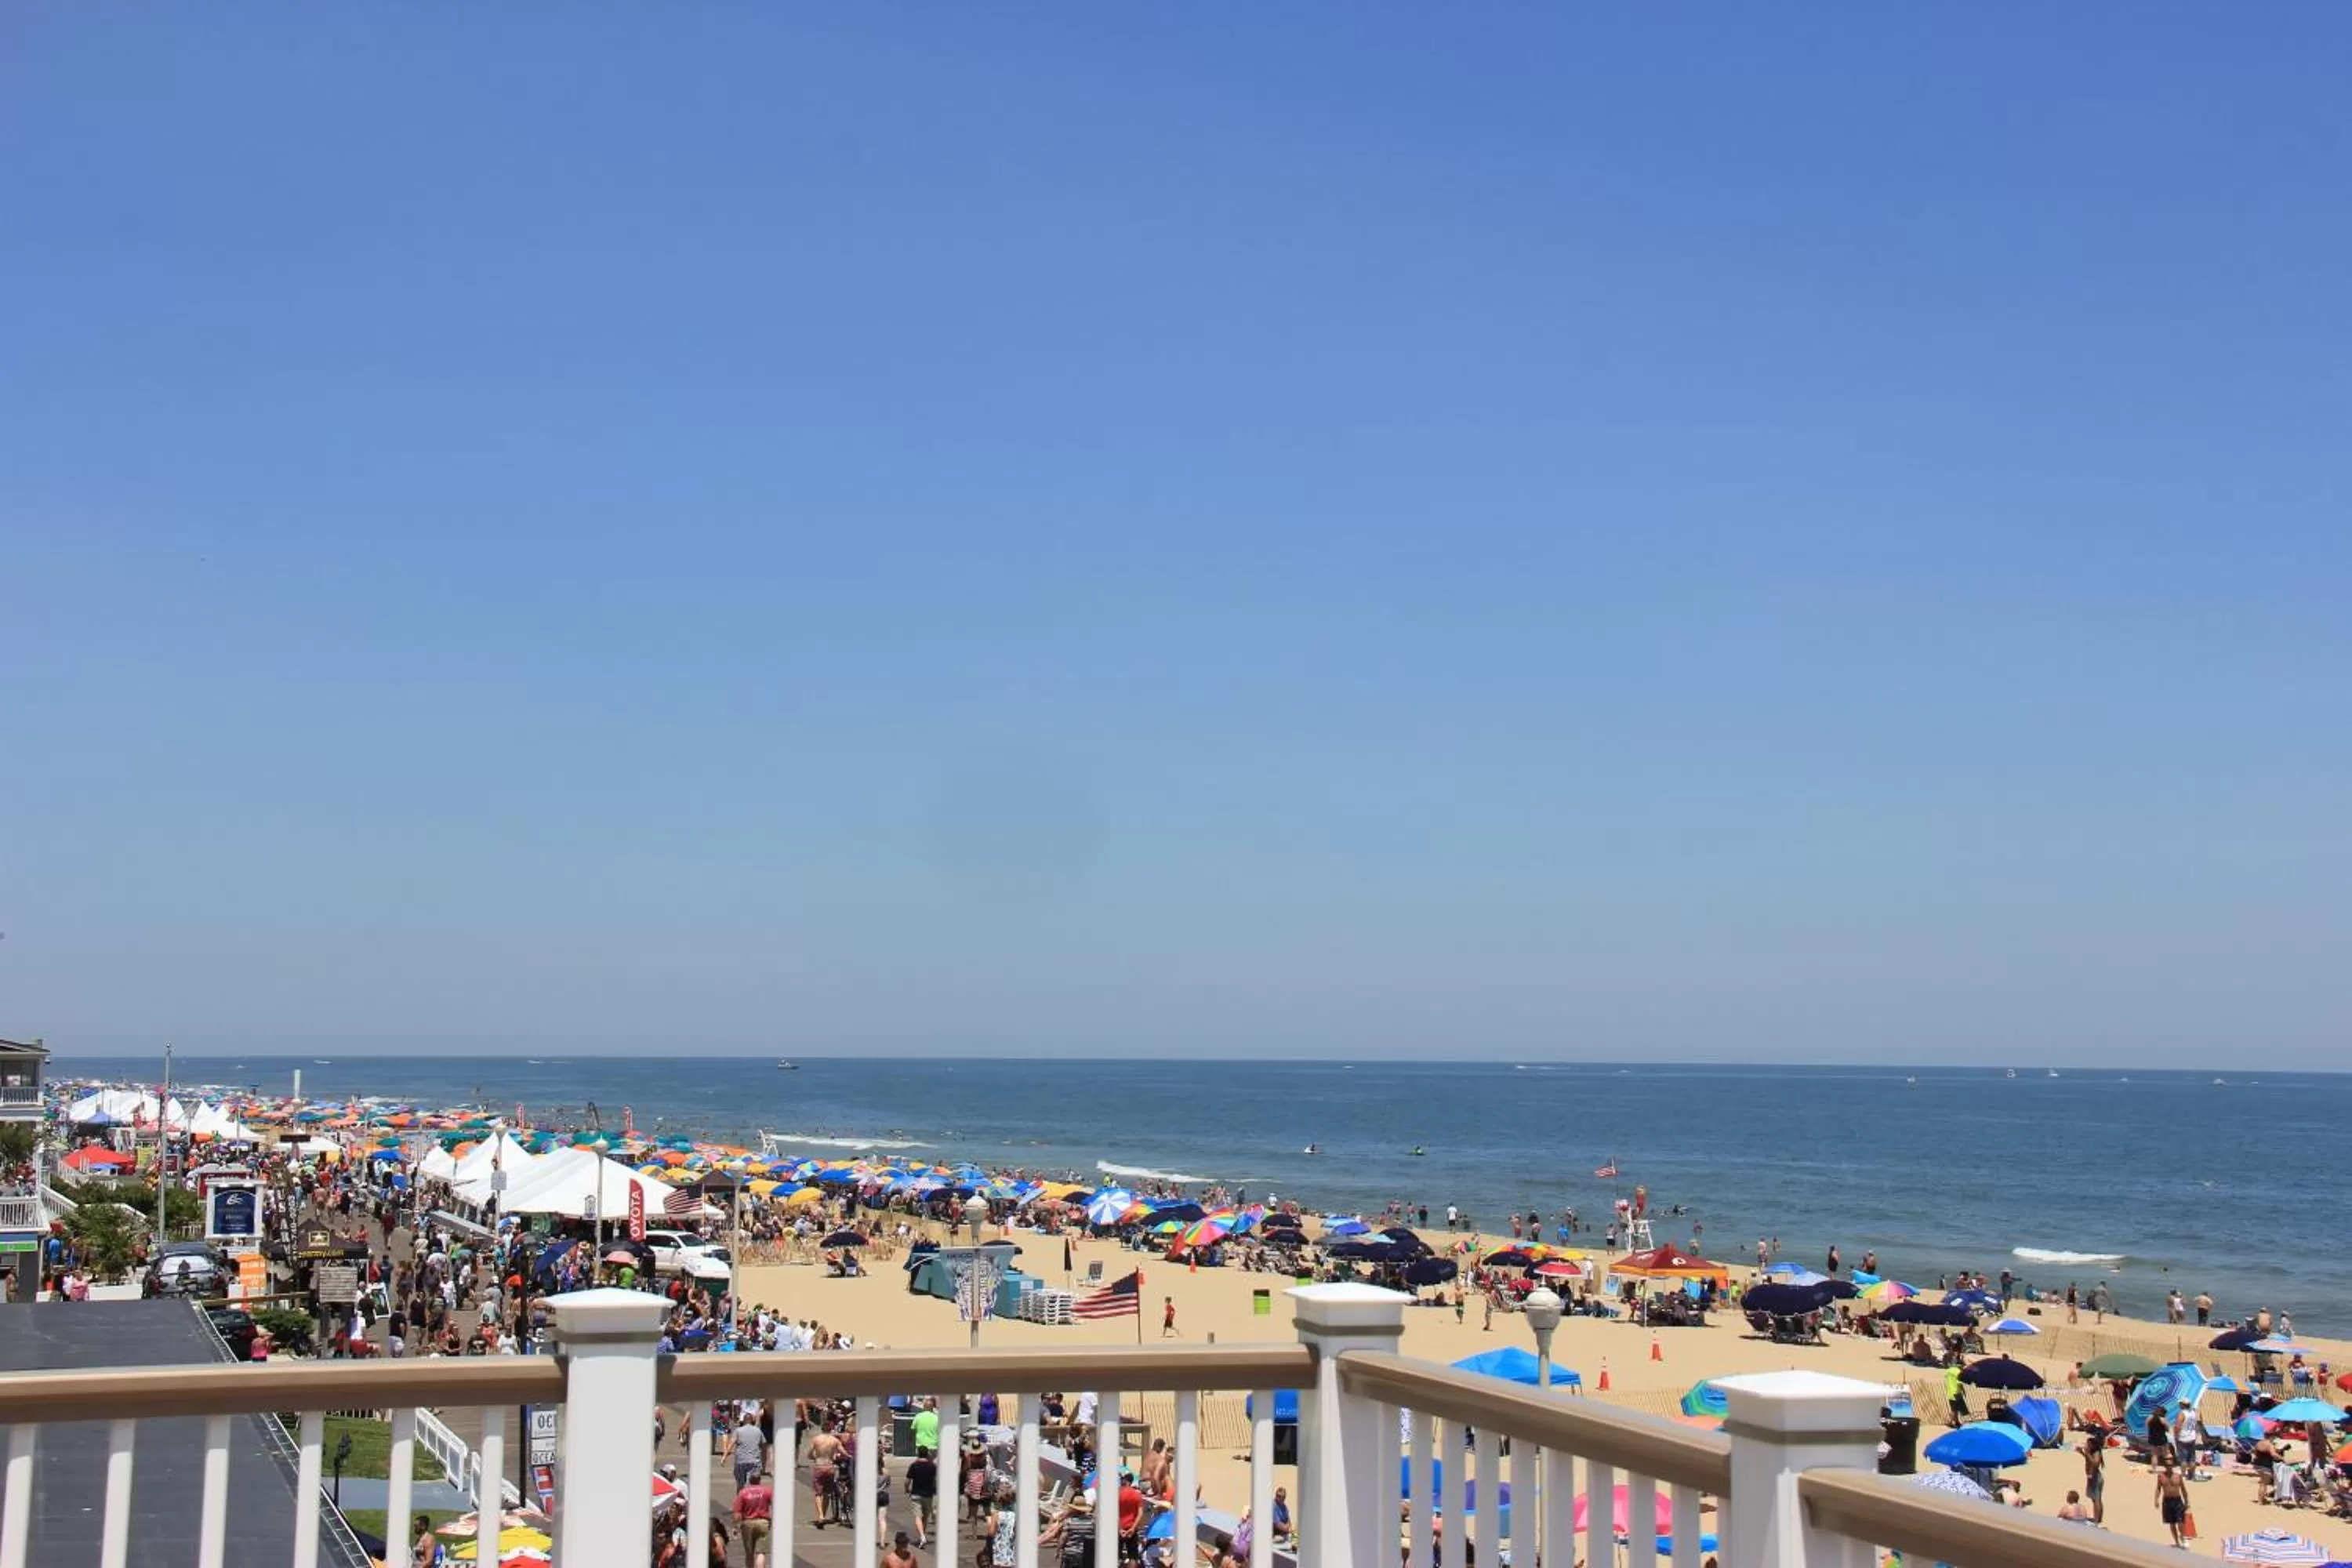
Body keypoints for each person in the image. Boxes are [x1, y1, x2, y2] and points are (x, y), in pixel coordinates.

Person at [733, 1468, 773, 1568]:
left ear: (750, 1480)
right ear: (760, 1480)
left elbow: (737, 1512)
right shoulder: (767, 1491)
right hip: (763, 1522)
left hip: (748, 1523)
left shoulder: (743, 1493)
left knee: (749, 1553)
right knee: (761, 1552)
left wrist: (735, 1526)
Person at [808, 1423, 844, 1527]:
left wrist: (814, 1457)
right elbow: (843, 1452)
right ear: (830, 1430)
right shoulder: (835, 1440)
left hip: (819, 1466)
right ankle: (823, 1514)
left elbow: (809, 1454)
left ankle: (820, 1516)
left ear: (822, 1429)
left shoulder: (816, 1439)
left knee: (818, 1493)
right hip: (830, 1466)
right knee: (827, 1493)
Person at [907, 1446, 939, 1550]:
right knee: (925, 1517)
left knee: (918, 1516)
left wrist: (906, 1489)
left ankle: (922, 1536)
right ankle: (922, 1536)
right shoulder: (933, 1466)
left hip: (916, 1493)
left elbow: (907, 1480)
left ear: (918, 1453)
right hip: (928, 1494)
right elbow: (935, 1480)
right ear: (927, 1454)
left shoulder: (914, 1465)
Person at [2154, 1457, 2190, 1548]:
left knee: (2181, 1522)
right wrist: (2156, 1500)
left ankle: (2183, 1537)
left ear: (2173, 1466)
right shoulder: (2161, 1476)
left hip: (2177, 1500)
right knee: (2172, 1523)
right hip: (2167, 1501)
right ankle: (2177, 1542)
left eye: (2170, 1465)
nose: (2169, 1467)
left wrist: (2187, 1501)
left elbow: (2183, 1489)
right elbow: (2158, 1488)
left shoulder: (2178, 1476)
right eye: (2167, 1465)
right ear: (2165, 1466)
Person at [2079, 1434, 2105, 1526]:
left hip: (2096, 1478)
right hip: (2092, 1477)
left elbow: (2096, 1463)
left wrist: (2086, 1453)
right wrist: (2082, 1453)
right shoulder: (2091, 1453)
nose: (2087, 1445)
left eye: (2089, 1444)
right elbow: (2089, 1460)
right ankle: (2098, 1518)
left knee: (2097, 1499)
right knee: (2095, 1499)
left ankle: (2097, 1520)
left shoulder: (2096, 1453)